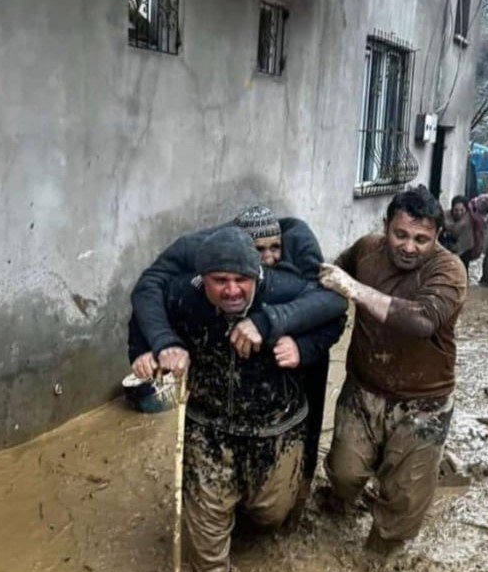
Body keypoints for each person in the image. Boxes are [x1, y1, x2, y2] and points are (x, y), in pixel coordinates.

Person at [129, 227, 345, 572]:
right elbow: (143, 313)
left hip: (275, 429)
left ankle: (244, 511)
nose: (231, 291)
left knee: (270, 513)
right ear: (202, 279)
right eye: (220, 281)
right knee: (207, 523)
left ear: (257, 275)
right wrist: (152, 348)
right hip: (208, 429)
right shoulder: (182, 294)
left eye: (241, 280)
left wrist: (298, 343)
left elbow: (335, 309)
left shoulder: (283, 289)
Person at [129, 203, 345, 500]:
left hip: (296, 347)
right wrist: (159, 344)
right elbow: (149, 288)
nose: (267, 259)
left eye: (274, 249)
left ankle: (300, 489)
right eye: (258, 251)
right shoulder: (198, 252)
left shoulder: (297, 251)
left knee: (301, 434)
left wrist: (278, 328)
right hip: (225, 399)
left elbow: (330, 304)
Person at [318, 186, 467, 560]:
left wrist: (356, 290)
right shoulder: (366, 250)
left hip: (424, 404)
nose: (409, 247)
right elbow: (329, 275)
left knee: (402, 503)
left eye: (422, 239)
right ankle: (338, 509)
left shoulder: (448, 270)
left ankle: (380, 560)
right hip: (363, 389)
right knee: (344, 474)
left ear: (437, 237)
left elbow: (422, 321)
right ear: (385, 226)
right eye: (400, 234)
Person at [442, 195, 476, 275]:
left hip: (465, 248)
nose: (459, 213)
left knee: (462, 271)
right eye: (456, 210)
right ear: (452, 209)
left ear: (466, 209)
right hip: (449, 246)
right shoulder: (444, 216)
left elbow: (457, 232)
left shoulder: (469, 219)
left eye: (462, 210)